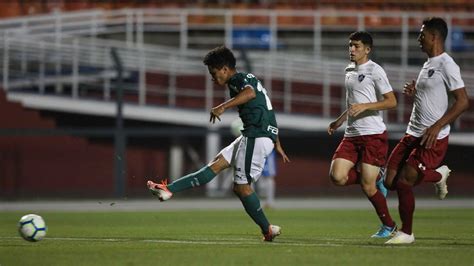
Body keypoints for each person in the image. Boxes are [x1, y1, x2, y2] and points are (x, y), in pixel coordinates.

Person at [147, 45, 290, 242]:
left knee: (241, 187)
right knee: (215, 164)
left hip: (257, 136)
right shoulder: (245, 80)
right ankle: (168, 189)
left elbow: (251, 95)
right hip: (254, 134)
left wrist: (223, 106)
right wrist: (277, 141)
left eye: (214, 73)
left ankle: (267, 229)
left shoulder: (240, 80)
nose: (213, 78)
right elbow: (266, 111)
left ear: (225, 69)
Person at [384, 17, 469, 244]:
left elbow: (462, 102)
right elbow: (433, 96)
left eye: (421, 34)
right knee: (389, 181)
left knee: (404, 181)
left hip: (432, 137)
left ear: (434, 36)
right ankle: (438, 175)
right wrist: (416, 92)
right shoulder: (428, 64)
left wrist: (438, 124)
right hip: (413, 132)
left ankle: (407, 233)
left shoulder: (446, 64)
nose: (418, 39)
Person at [327, 31, 398, 238]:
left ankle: (390, 226)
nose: (351, 49)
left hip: (373, 134)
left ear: (368, 49)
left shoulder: (376, 71)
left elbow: (392, 101)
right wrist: (338, 121)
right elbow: (352, 103)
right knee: (337, 177)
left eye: (356, 46)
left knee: (368, 188)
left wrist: (367, 106)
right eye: (350, 45)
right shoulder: (348, 69)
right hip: (351, 134)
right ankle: (376, 177)